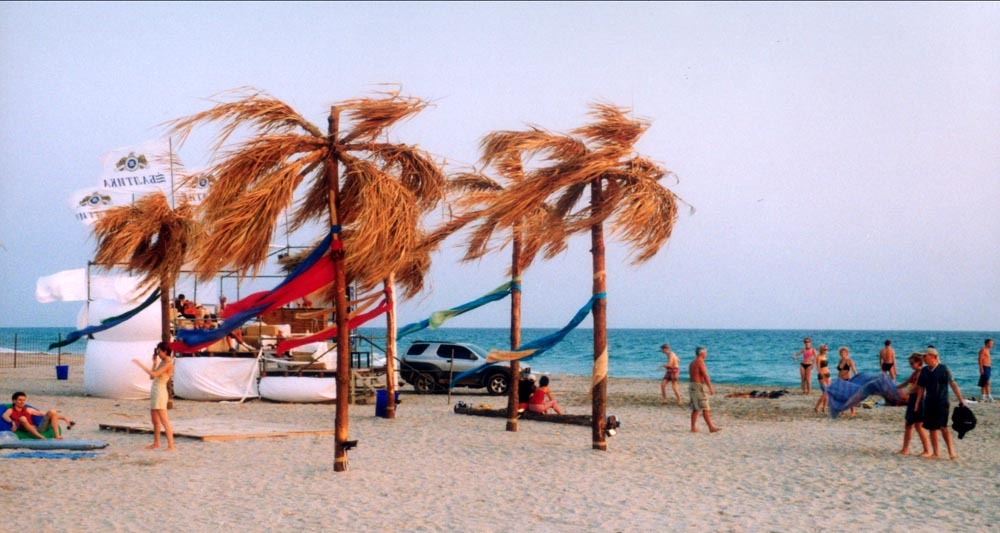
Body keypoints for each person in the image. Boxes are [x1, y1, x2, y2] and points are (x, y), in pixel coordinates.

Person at [913, 347, 965, 460]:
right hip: (929, 402)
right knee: (932, 428)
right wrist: (917, 402)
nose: (924, 358)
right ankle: (936, 452)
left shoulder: (944, 369)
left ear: (933, 357)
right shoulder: (924, 371)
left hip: (942, 402)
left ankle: (951, 452)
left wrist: (961, 399)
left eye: (926, 356)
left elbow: (953, 384)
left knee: (943, 427)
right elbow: (921, 388)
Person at [133, 342, 176, 451]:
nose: (159, 354)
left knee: (164, 420)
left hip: (160, 391)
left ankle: (171, 445)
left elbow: (154, 375)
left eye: (160, 351)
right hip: (155, 389)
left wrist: (141, 365)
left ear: (165, 351)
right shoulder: (162, 362)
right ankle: (156, 443)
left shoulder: (169, 362)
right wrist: (154, 363)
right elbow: (152, 377)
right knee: (155, 420)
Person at [896, 353, 930, 456]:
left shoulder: (922, 373)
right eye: (910, 363)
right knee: (909, 425)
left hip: (919, 400)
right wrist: (896, 387)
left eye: (912, 363)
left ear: (918, 362)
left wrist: (906, 393)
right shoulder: (915, 373)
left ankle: (927, 450)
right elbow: (907, 382)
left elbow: (917, 387)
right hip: (912, 400)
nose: (910, 365)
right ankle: (905, 449)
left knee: (918, 426)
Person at [2, 392, 74, 440]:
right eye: (20, 400)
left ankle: (57, 436)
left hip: (37, 428)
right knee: (22, 418)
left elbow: (43, 414)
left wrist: (64, 418)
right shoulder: (11, 410)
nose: (22, 402)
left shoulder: (28, 409)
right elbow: (4, 416)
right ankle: (41, 437)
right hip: (24, 429)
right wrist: (12, 423)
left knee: (52, 411)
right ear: (14, 401)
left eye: (24, 400)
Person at [689, 346, 721, 433]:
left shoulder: (692, 362)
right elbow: (705, 375)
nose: (706, 354)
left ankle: (693, 427)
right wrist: (710, 387)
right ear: (702, 353)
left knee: (696, 408)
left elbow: (696, 375)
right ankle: (711, 427)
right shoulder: (700, 362)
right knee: (705, 407)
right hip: (697, 386)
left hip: (692, 386)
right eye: (706, 353)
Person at [836, 346, 858, 417]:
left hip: (847, 379)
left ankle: (853, 412)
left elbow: (854, 369)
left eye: (844, 352)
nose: (842, 354)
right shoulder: (840, 360)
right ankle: (842, 412)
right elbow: (839, 370)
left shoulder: (849, 361)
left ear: (847, 353)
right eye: (841, 352)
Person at [813, 345, 832, 413]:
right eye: (824, 349)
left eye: (827, 349)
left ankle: (824, 408)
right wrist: (822, 375)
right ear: (821, 350)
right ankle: (817, 407)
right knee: (825, 392)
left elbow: (825, 366)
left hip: (828, 375)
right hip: (822, 375)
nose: (826, 350)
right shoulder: (818, 357)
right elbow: (818, 368)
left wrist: (829, 373)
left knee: (827, 392)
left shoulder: (824, 356)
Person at [978, 338, 993, 403]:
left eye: (992, 344)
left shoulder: (988, 350)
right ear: (987, 343)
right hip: (984, 367)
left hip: (988, 367)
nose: (992, 345)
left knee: (986, 382)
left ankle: (986, 397)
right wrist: (981, 368)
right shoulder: (983, 350)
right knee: (985, 382)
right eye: (991, 343)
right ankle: (986, 397)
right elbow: (980, 359)